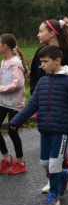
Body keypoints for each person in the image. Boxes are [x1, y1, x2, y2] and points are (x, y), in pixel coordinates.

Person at [9, 45, 68, 205]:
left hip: (61, 130)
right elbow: (31, 105)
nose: (42, 65)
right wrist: (15, 122)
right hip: (45, 129)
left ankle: (54, 195)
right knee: (44, 163)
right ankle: (63, 176)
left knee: (55, 163)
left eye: (45, 61)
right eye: (41, 61)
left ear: (57, 61)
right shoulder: (43, 81)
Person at [31, 19, 68, 192]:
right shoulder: (40, 52)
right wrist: (37, 98)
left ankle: (59, 174)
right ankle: (58, 174)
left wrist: (64, 94)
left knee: (58, 138)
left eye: (41, 31)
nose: (38, 34)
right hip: (43, 105)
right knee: (49, 141)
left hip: (62, 107)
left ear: (51, 32)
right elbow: (33, 80)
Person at [0, 34, 28, 175]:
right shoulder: (4, 61)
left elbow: (18, 84)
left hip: (15, 104)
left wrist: (1, 89)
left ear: (5, 46)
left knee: (12, 132)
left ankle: (20, 163)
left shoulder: (16, 63)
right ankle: (6, 160)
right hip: (3, 101)